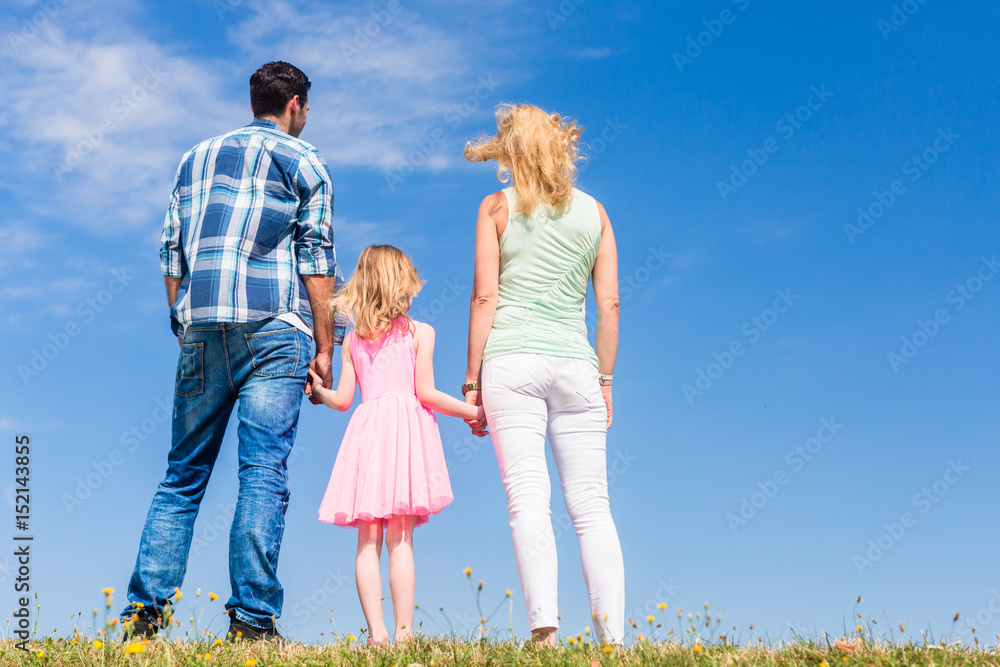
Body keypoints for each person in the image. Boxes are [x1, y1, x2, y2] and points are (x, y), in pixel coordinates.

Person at [120, 61, 339, 643]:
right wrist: (326, 345)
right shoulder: (307, 161)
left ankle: (143, 619)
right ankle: (252, 623)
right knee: (262, 473)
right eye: (306, 107)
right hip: (275, 330)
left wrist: (183, 319)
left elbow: (171, 251)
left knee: (182, 476)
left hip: (201, 325)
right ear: (294, 103)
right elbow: (316, 260)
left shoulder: (195, 157)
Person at [461, 103, 625, 645]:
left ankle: (545, 633)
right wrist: (605, 382)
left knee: (529, 500)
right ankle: (614, 641)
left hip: (510, 361)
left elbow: (486, 295)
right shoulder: (596, 214)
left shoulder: (496, 208)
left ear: (511, 151)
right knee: (593, 506)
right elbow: (610, 305)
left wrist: (471, 380)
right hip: (576, 364)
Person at [308, 245, 485, 645]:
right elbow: (427, 394)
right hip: (405, 435)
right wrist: (472, 412)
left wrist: (319, 390)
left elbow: (341, 401)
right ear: (400, 285)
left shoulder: (353, 340)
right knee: (400, 540)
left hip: (368, 435)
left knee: (366, 541)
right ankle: (404, 635)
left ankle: (377, 636)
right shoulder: (421, 333)